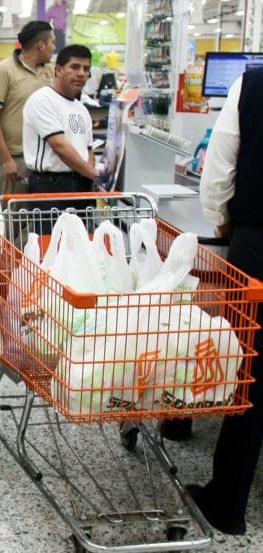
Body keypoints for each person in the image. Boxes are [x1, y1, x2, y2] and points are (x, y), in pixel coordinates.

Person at [190, 67, 263, 536]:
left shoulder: (251, 85)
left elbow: (219, 167)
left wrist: (219, 216)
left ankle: (228, 503)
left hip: (258, 240)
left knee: (252, 370)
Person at [22, 44, 95, 232]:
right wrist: (94, 174)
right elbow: (59, 145)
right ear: (59, 70)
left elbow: (88, 149)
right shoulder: (42, 100)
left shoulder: (82, 109)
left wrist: (90, 177)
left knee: (81, 244)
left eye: (86, 69)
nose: (81, 73)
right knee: (51, 245)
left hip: (81, 185)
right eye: (75, 67)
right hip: (49, 187)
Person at [0, 20, 55, 196]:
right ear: (41, 45)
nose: (54, 48)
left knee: (44, 212)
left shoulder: (50, 71)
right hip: (17, 160)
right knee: (17, 212)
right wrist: (7, 159)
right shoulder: (3, 71)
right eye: (52, 42)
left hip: (46, 158)